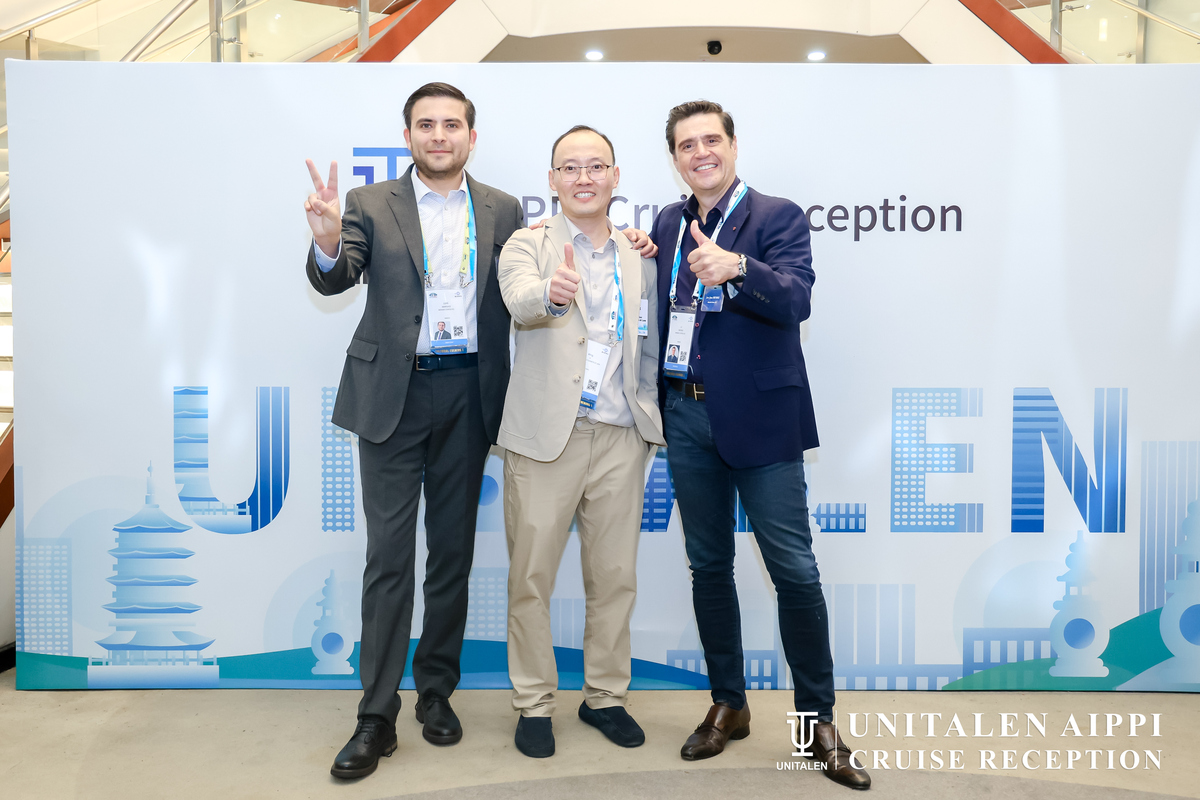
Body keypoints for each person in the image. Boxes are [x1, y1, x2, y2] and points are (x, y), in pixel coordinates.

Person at [303, 82, 524, 780]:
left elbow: (527, 285)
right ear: (408, 136)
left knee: (452, 555)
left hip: (469, 392)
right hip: (391, 397)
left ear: (471, 137)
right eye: (426, 125)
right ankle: (376, 714)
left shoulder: (503, 209)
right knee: (389, 558)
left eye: (451, 125)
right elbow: (338, 279)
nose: (439, 136)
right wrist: (328, 241)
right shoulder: (371, 203)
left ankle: (436, 692)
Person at [649, 100, 870, 790]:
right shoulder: (667, 222)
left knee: (794, 571)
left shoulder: (777, 216)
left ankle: (817, 722)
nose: (701, 152)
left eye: (711, 139)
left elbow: (797, 299)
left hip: (763, 420)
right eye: (687, 145)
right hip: (687, 415)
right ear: (675, 158)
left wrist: (738, 268)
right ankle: (729, 704)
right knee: (709, 567)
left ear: (734, 145)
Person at [497, 125, 664, 759]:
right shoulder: (527, 243)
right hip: (547, 439)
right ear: (552, 180)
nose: (584, 178)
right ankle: (534, 703)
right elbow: (519, 300)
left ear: (615, 177)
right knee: (531, 578)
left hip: (620, 435)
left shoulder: (639, 253)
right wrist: (550, 293)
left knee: (615, 577)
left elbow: (649, 340)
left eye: (596, 166)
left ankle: (605, 697)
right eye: (570, 167)